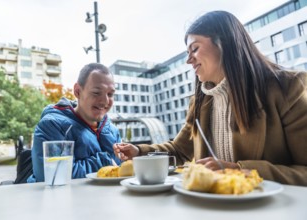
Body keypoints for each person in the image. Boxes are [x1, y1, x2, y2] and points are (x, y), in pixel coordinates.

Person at [113, 11, 307, 186]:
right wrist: (139, 152)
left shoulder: (287, 88)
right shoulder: (200, 102)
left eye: (195, 49)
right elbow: (180, 150)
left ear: (225, 44)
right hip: (211, 207)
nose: (189, 60)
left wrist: (240, 171)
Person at [28, 63, 121, 183]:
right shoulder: (52, 125)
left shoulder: (112, 130)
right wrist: (106, 160)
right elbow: (55, 176)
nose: (105, 101)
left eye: (110, 94)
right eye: (96, 93)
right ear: (77, 91)